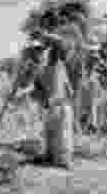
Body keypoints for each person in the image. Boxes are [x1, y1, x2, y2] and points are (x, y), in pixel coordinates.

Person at [13, 32, 76, 169]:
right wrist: (23, 93)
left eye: (42, 50)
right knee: (51, 134)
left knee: (61, 135)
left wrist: (49, 38)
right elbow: (37, 87)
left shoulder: (57, 64)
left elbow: (67, 88)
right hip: (50, 105)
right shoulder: (42, 68)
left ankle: (63, 161)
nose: (40, 53)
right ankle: (52, 157)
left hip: (60, 104)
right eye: (35, 51)